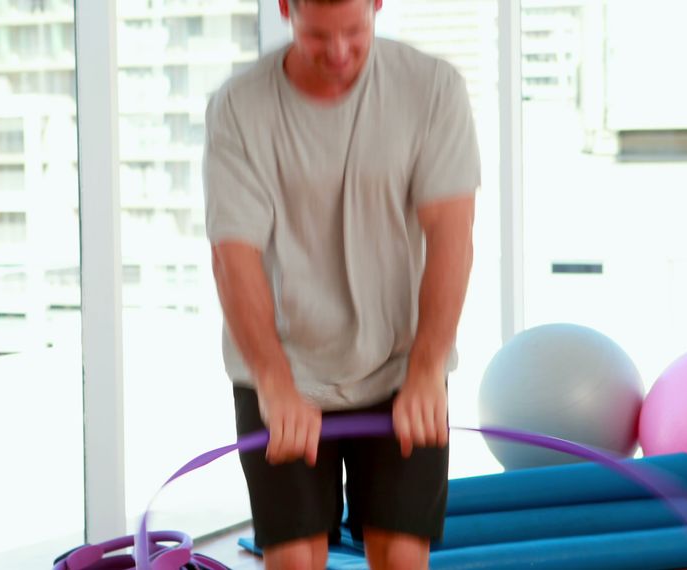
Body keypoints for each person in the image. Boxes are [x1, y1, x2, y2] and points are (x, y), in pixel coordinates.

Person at [203, 0, 480, 567]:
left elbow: (452, 237)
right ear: (285, 8)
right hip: (282, 369)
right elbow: (234, 257)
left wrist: (427, 370)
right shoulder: (239, 107)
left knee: (402, 552)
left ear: (378, 4)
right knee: (295, 557)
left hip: (402, 365)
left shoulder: (432, 90)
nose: (338, 53)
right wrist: (275, 382)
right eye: (317, 36)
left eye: (355, 32)